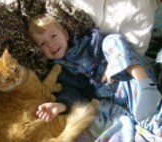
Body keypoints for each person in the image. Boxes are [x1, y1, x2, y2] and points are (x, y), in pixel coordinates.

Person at [28, 14, 161, 123]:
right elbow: (72, 95)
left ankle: (146, 84)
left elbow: (117, 47)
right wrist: (58, 106)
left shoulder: (91, 42)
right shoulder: (60, 73)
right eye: (43, 44)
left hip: (130, 75)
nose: (50, 44)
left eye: (53, 36)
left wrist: (111, 65)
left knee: (112, 40)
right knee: (147, 116)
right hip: (114, 95)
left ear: (65, 35)